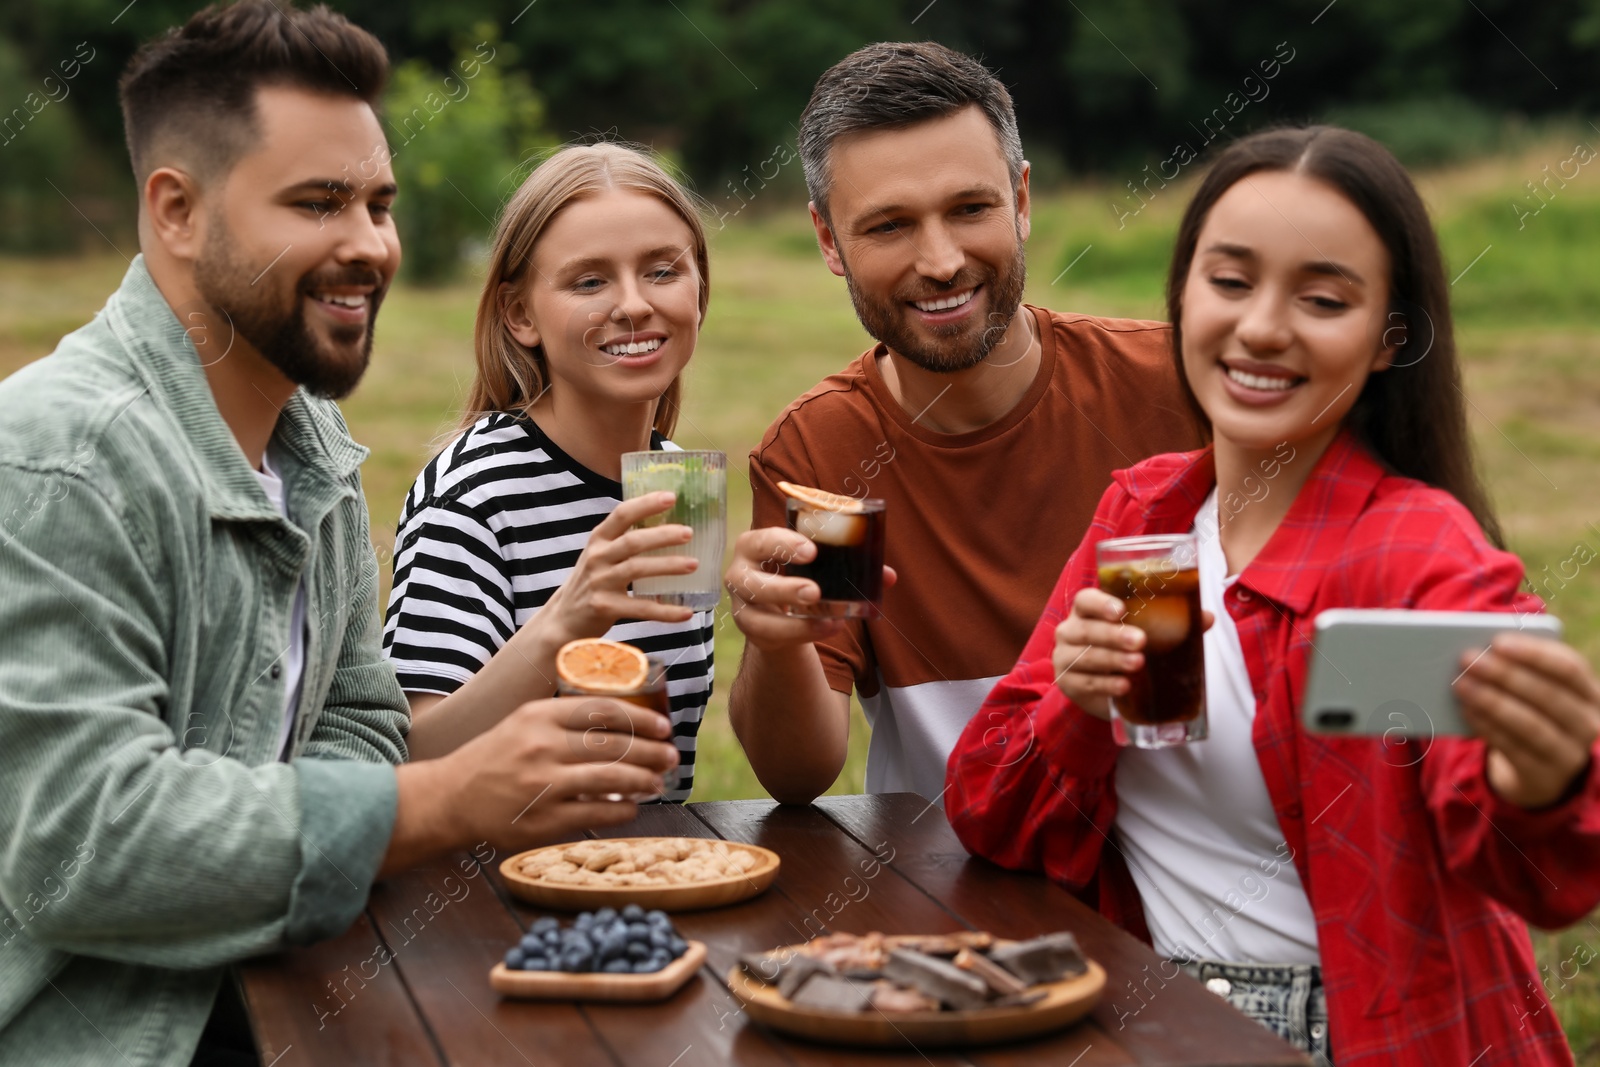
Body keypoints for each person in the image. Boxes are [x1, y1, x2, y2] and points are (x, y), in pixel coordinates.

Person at [0, 4, 674, 1063]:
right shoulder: (57, 457)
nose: (368, 245)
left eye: (378, 202)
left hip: (295, 981)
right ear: (176, 210)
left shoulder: (309, 437)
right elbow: (83, 843)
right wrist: (449, 795)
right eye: (318, 202)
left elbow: (361, 718)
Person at [945, 125, 1600, 1065]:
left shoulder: (1418, 552)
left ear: (1390, 339)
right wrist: (1076, 706)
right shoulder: (1145, 510)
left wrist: (1539, 780)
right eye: (1231, 281)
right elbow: (986, 813)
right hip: (1144, 1012)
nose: (1261, 327)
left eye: (1324, 298)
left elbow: (1538, 870)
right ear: (1183, 297)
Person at [722, 42, 1205, 804]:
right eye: (889, 226)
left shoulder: (1179, 389)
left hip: (1183, 877)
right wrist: (777, 644)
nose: (941, 260)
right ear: (828, 241)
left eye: (970, 209)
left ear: (1020, 199)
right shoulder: (824, 450)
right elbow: (796, 774)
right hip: (958, 890)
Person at [383, 143, 715, 799]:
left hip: (639, 874)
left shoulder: (679, 482)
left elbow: (662, 768)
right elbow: (412, 760)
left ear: (699, 288)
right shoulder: (473, 493)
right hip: (493, 888)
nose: (632, 305)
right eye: (589, 281)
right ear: (521, 314)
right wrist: (568, 620)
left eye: (662, 271)